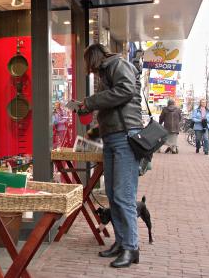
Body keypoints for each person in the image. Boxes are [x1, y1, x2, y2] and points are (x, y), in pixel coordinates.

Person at [82, 44, 143, 268]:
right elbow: (113, 108)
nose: (87, 67)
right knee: (113, 193)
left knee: (123, 194)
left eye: (87, 62)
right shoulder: (107, 71)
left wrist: (91, 102)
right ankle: (122, 241)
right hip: (113, 137)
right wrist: (96, 130)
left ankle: (131, 248)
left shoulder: (117, 64)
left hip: (125, 136)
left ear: (93, 58)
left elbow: (127, 91)